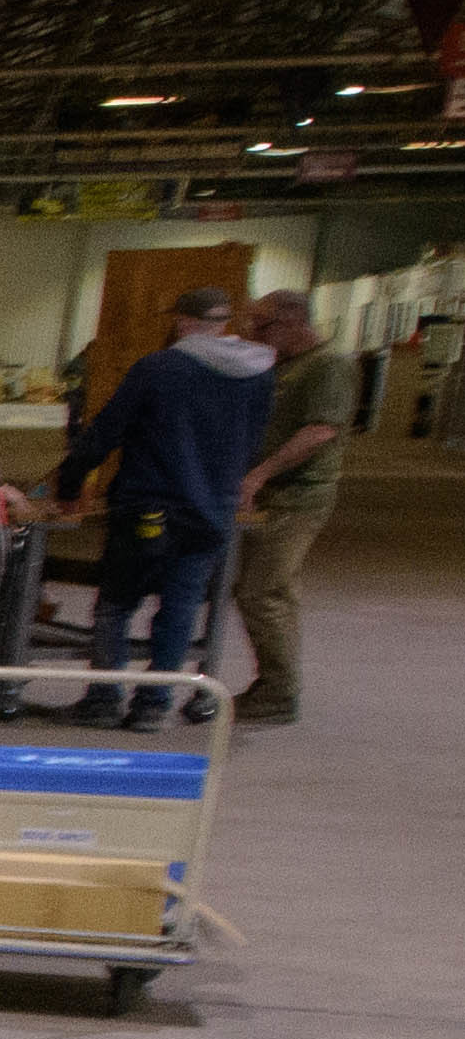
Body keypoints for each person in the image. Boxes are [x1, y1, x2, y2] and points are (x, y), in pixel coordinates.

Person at [55, 291, 279, 709]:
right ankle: (154, 705)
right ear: (224, 324)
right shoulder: (259, 374)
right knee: (180, 606)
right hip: (212, 510)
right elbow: (253, 440)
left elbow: (107, 430)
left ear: (183, 322)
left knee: (117, 603)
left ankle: (103, 700)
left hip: (148, 505)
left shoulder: (159, 368)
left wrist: (69, 486)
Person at [228, 293, 364, 725]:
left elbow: (320, 430)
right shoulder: (287, 365)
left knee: (263, 592)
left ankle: (278, 693)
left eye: (262, 325)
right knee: (264, 590)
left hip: (297, 496)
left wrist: (260, 474)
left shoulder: (330, 366)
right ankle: (273, 685)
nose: (255, 334)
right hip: (276, 494)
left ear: (291, 321)